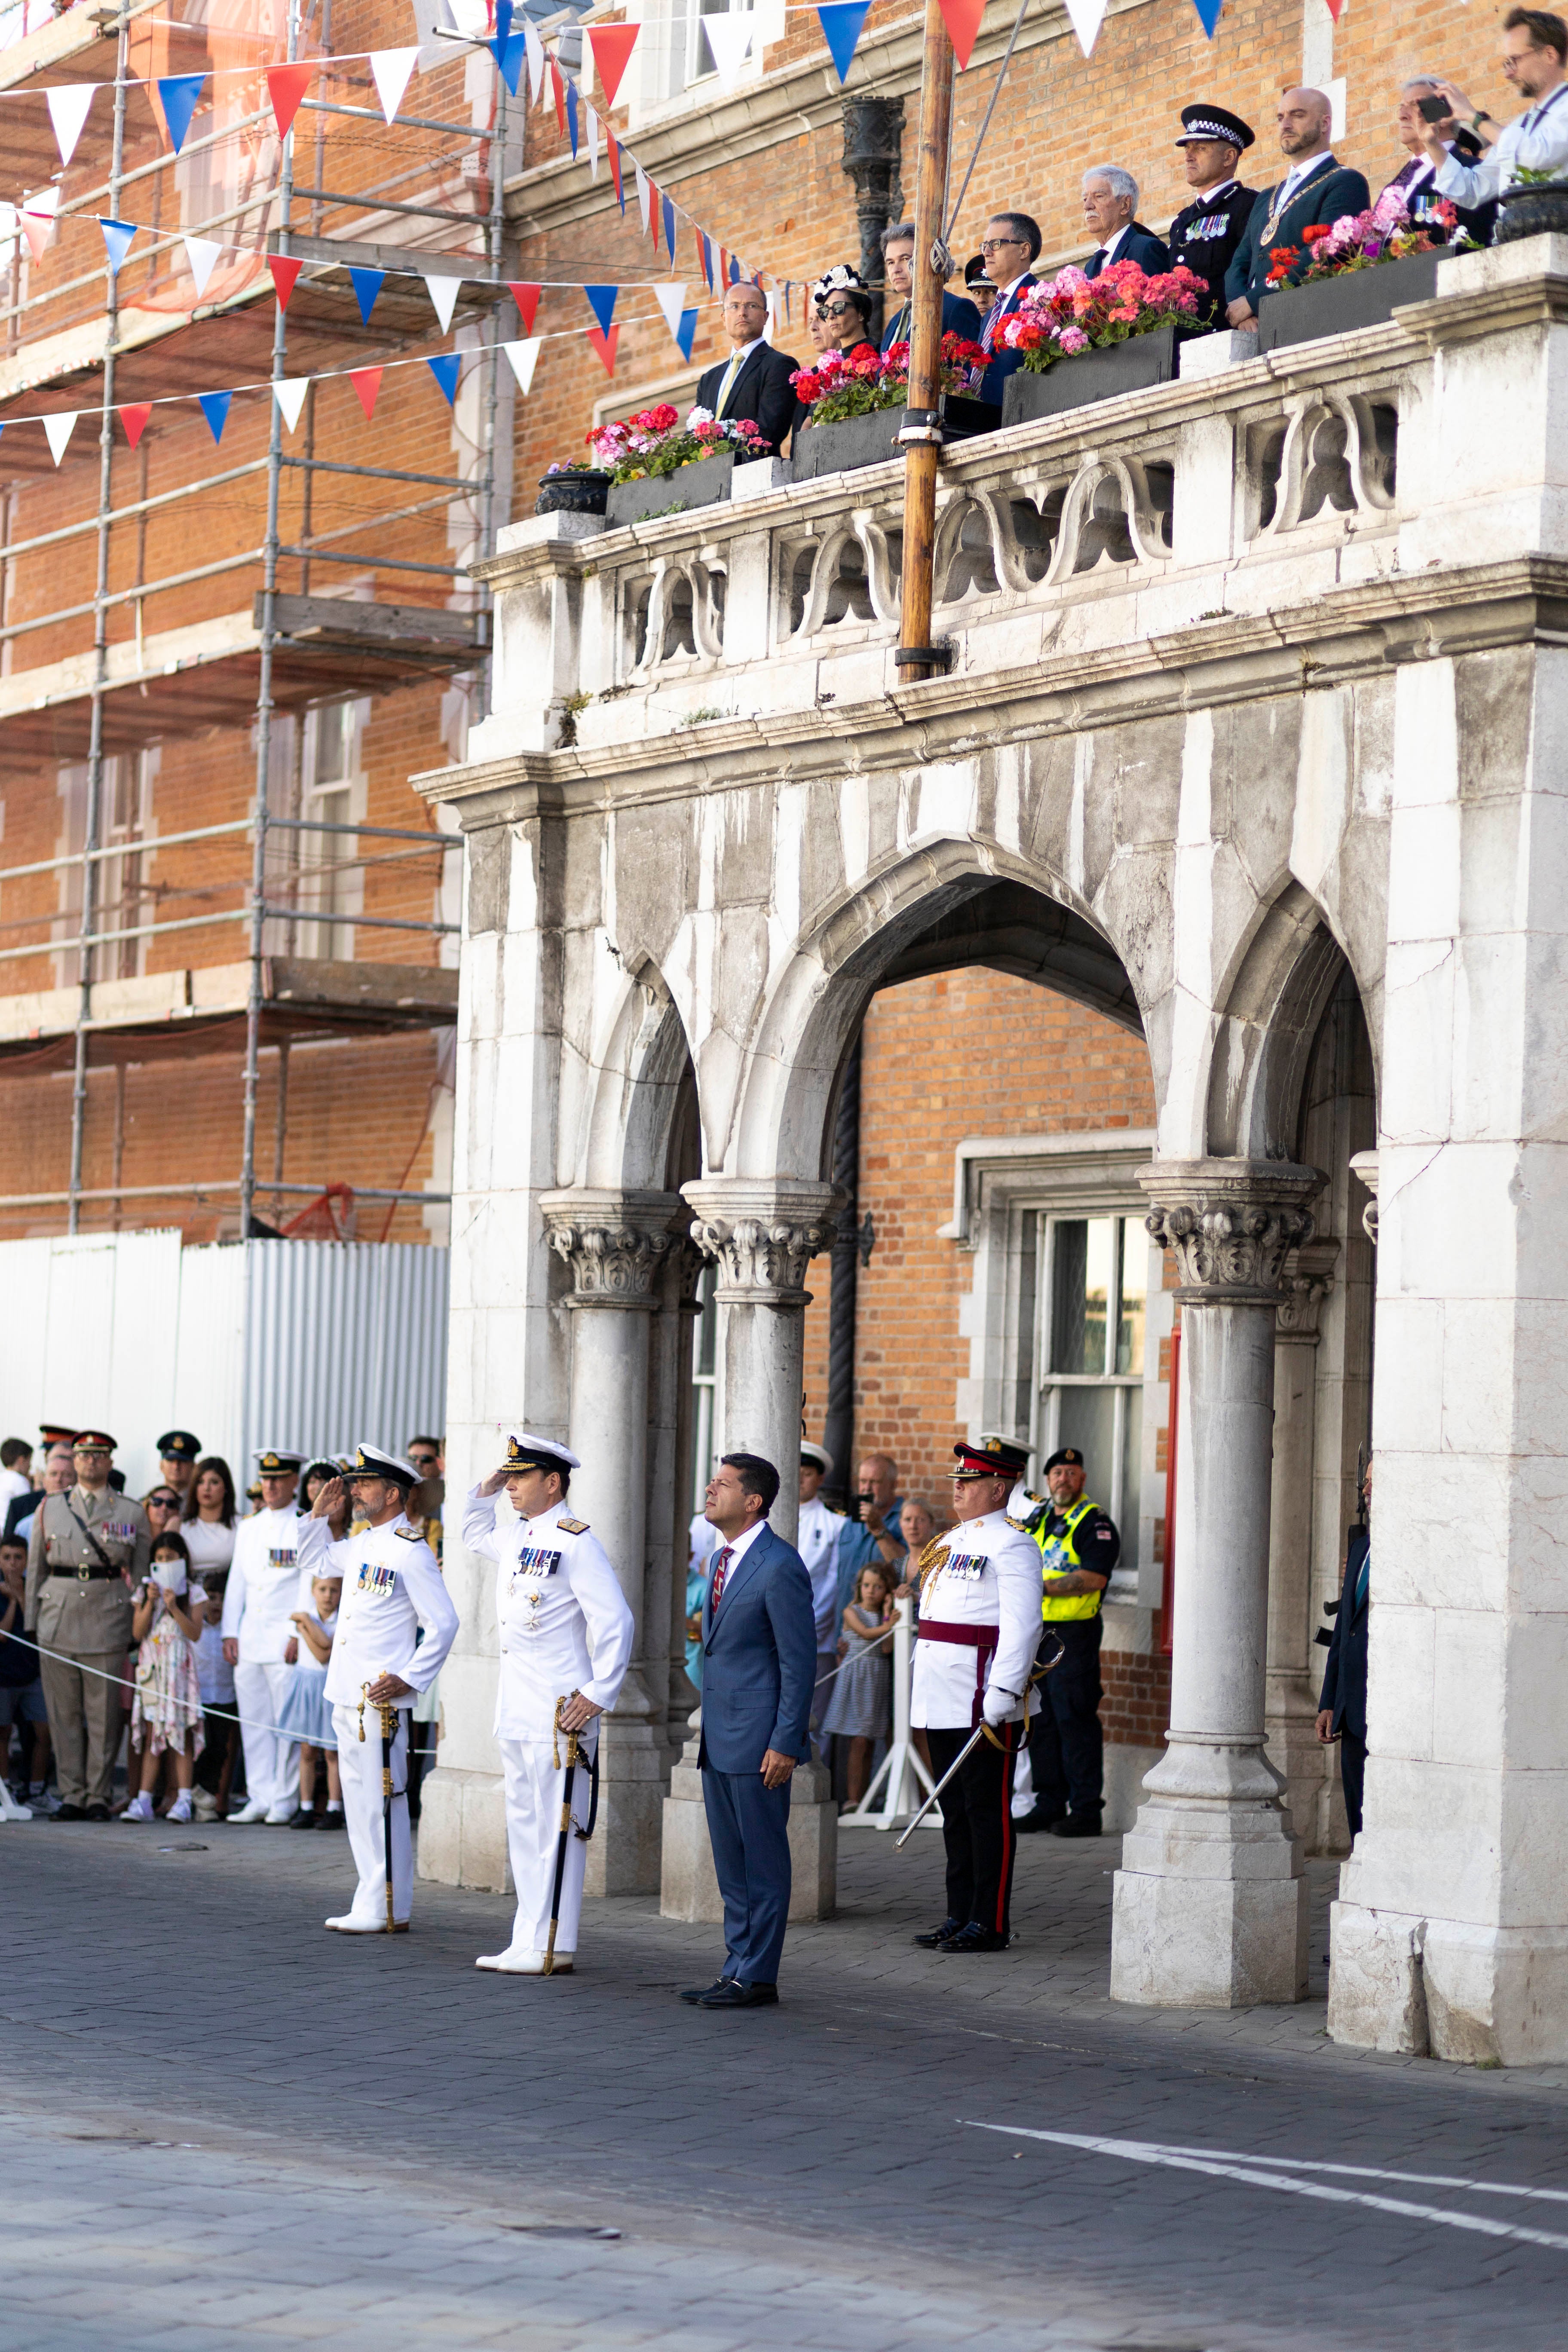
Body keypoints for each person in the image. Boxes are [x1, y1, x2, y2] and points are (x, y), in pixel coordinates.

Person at [461, 1431, 633, 1974]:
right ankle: (527, 1937)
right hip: (519, 1704)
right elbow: (470, 1533)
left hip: (563, 1711)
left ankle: (553, 1943)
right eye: (508, 1476)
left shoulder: (575, 1540)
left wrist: (598, 1692)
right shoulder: (517, 1536)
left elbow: (616, 1621)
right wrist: (484, 1488)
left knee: (559, 1829)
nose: (511, 1485)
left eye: (520, 1476)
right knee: (526, 1824)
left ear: (552, 1482)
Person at [299, 1444, 457, 1934]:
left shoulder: (410, 1551)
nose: (355, 1490)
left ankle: (389, 1905)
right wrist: (317, 1515)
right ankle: (370, 1896)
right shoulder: (362, 1542)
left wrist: (410, 1677)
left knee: (384, 1801)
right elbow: (312, 1560)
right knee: (360, 1801)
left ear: (393, 1493)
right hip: (347, 1690)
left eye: (365, 1484)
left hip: (380, 1699)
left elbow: (445, 1623)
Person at [680, 1452, 816, 2011]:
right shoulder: (719, 1562)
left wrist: (786, 1740)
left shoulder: (780, 1565)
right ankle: (736, 1965)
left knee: (762, 1862)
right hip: (720, 1737)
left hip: (760, 1741)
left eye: (723, 1484)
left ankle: (759, 1974)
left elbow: (798, 1661)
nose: (710, 1490)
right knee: (731, 1864)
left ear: (753, 1502)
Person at [910, 1438, 1044, 1955]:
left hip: (979, 1693)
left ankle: (989, 1921)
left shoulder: (1013, 1544)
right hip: (940, 1692)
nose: (959, 1489)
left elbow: (1022, 1626)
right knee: (955, 1809)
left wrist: (1004, 1692)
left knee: (987, 1809)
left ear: (998, 1488)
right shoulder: (950, 1539)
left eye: (968, 1483)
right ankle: (958, 1912)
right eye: (958, 1482)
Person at [24, 1429, 149, 1822]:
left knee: (104, 1716)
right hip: (57, 1618)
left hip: (108, 1618)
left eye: (99, 1455)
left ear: (110, 1462)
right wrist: (31, 1623)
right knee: (63, 1715)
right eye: (83, 1455)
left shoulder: (131, 1511)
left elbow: (142, 1578)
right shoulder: (50, 1507)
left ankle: (97, 1795)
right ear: (73, 1461)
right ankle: (71, 1794)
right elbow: (35, 1569)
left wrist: (138, 1628)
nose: (91, 1462)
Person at [1013, 1446, 1121, 1838]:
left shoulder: (1095, 1523)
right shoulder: (1039, 1517)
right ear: (1048, 1480)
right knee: (1040, 1720)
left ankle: (1087, 1810)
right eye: (1058, 1473)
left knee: (1075, 1718)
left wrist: (1039, 1586)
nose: (1064, 1479)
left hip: (1074, 1635)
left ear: (1083, 1480)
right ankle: (1049, 1804)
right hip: (1037, 1632)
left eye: (1072, 1473)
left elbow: (1094, 1578)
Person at [1225, 88, 1371, 325]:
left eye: (1298, 115)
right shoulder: (1266, 197)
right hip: (1253, 326)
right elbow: (1239, 264)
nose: (1286, 125)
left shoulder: (1344, 181)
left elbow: (1327, 252)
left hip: (1306, 319)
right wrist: (1239, 311)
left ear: (1324, 124)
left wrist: (1252, 302)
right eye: (1281, 118)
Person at [220, 1448, 308, 1825]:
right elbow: (236, 1583)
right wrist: (229, 1631)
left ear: (294, 1481)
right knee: (253, 1721)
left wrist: (296, 1632)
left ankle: (284, 1799)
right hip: (250, 1637)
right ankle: (259, 1795)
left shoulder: (304, 1523)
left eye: (278, 1479)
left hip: (282, 1638)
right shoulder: (249, 1526)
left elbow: (308, 1581)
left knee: (284, 1722)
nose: (270, 1485)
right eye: (266, 1479)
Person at [1420, 12, 1568, 211]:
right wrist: (1433, 144)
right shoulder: (1521, 125)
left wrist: (1474, 117)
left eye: (1515, 60)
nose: (1508, 73)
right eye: (1507, 63)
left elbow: (1536, 155)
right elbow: (1473, 190)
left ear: (1550, 55)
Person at [122, 1532, 204, 1824]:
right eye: (159, 1559)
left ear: (183, 1560)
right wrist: (149, 1603)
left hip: (179, 1668)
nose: (165, 1563)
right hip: (153, 1669)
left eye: (170, 1558)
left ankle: (183, 1799)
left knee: (179, 1732)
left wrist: (173, 1607)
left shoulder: (193, 1592)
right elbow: (137, 1632)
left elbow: (195, 1632)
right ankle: (143, 1799)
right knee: (153, 1732)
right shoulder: (146, 1591)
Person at [1317, 1457, 1372, 1838]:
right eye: (1365, 1483)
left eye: (1374, 1483)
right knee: (1357, 1815)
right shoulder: (1360, 1549)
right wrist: (1329, 1700)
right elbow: (1343, 1631)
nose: (1366, 1492)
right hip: (1350, 1709)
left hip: (1382, 1708)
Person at [1166, 104, 1260, 323]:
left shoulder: (1247, 206)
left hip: (1226, 335)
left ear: (1228, 157)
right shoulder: (1182, 221)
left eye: (1200, 149)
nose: (1188, 156)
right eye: (1187, 148)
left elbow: (1253, 268)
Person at [1380, 76, 1495, 245]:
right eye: (1402, 107)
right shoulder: (1396, 184)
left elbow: (1477, 238)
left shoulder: (1474, 172)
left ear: (1442, 116)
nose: (1402, 116)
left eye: (1414, 106)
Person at [694, 281, 799, 457]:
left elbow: (769, 431)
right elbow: (695, 431)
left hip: (754, 471)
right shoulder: (709, 379)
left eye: (751, 306)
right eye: (734, 306)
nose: (742, 312)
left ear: (766, 317)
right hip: (707, 477)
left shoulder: (779, 365)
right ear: (724, 318)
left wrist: (718, 455)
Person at [822, 1561, 895, 1804]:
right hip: (857, 1676)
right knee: (858, 1740)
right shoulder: (851, 1611)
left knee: (870, 1739)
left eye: (878, 1586)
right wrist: (890, 1624)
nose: (871, 1591)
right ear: (859, 1587)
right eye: (866, 1585)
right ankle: (853, 1799)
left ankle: (864, 1800)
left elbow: (886, 1647)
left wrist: (886, 1613)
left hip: (877, 1678)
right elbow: (864, 1633)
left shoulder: (885, 1617)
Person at [279, 1569, 345, 1832]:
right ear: (313, 1592)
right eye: (323, 1590)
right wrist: (306, 1623)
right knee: (307, 1750)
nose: (328, 1596)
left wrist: (304, 1621)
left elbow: (323, 1653)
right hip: (307, 1685)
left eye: (334, 1590)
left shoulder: (340, 1620)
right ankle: (305, 1806)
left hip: (329, 1686)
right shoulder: (309, 1618)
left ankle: (334, 1807)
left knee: (332, 1751)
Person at [797, 1441, 845, 1762]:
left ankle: (815, 1775)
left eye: (808, 1474)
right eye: (796, 1473)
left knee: (815, 1714)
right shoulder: (766, 1520)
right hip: (770, 1634)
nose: (800, 1479)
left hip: (816, 1636)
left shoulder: (835, 1525)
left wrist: (808, 1629)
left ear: (820, 1479)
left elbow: (831, 1584)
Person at [0, 1531, 52, 1810]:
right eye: (7, 1557)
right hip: (4, 1675)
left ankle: (37, 1789)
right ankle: (5, 1787)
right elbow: (3, 1635)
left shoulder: (36, 1588)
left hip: (33, 1673)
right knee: (3, 1732)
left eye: (18, 1558)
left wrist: (20, 1595)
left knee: (44, 1732)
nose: (12, 1564)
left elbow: (37, 1630)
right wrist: (9, 1601)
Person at [879, 220, 984, 351]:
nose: (896, 270)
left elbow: (968, 367)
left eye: (905, 259)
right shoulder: (894, 323)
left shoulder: (956, 309)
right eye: (891, 262)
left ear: (926, 259)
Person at [974, 211, 1041, 406]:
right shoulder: (990, 316)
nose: (987, 252)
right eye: (985, 246)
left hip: (1021, 414)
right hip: (984, 421)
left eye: (996, 244)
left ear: (1024, 251)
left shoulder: (1038, 299)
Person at [833, 1452, 905, 1619]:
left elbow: (906, 1569)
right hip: (846, 1623)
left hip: (882, 1625)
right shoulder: (852, 1521)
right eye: (863, 1481)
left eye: (875, 1482)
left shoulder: (907, 1519)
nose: (866, 1488)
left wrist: (878, 1529)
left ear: (894, 1485)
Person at [191, 1573, 239, 1821]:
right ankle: (195, 1793)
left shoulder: (230, 1631)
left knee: (220, 1749)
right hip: (201, 1697)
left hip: (225, 1696)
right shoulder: (197, 1628)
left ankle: (208, 1796)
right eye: (212, 1597)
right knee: (201, 1747)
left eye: (222, 1598)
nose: (217, 1603)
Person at [1081, 165, 1170, 278]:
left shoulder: (1146, 249)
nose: (1087, 206)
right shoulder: (1091, 266)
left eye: (1099, 196)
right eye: (1085, 199)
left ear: (1125, 205)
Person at [181, 1456, 238, 1589]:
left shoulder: (241, 1525)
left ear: (226, 1487)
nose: (206, 1488)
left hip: (225, 1598)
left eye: (214, 1482)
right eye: (200, 1482)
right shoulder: (180, 1525)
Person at [6, 1439, 71, 1546]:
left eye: (67, 1475)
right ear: (44, 1480)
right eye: (54, 1474)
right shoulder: (22, 1508)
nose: (59, 1480)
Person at [151, 1430, 201, 1509]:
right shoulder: (149, 1503)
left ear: (194, 1467)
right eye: (171, 1461)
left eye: (183, 1461)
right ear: (161, 1466)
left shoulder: (202, 1504)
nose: (176, 1467)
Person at [0, 1439, 33, 1514]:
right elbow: (29, 1509)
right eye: (29, 1460)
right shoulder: (19, 1480)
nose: (30, 1466)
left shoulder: (2, 1477)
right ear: (21, 1460)